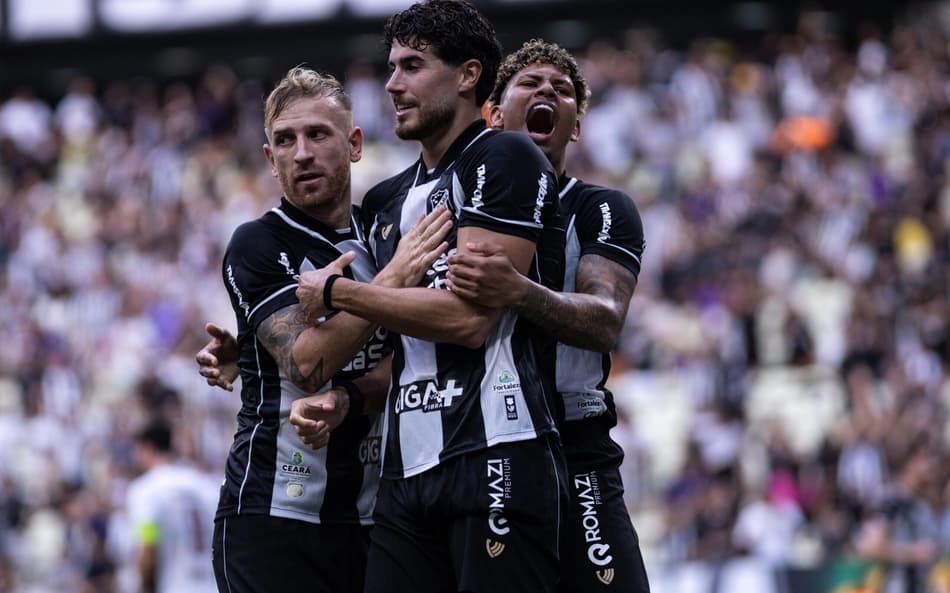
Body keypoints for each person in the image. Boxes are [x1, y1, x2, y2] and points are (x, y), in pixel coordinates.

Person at [289, 2, 568, 592]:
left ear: (468, 75)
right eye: (391, 68)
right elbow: (398, 343)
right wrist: (257, 357)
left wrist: (341, 291)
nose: (393, 84)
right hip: (405, 469)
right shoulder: (384, 201)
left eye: (412, 66)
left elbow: (468, 321)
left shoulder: (503, 155)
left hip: (497, 448)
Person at [209, 65, 450, 593]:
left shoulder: (388, 236)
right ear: (270, 160)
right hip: (272, 517)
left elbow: (415, 362)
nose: (301, 153)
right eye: (285, 140)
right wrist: (391, 281)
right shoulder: (258, 243)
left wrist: (347, 398)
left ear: (354, 144)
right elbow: (307, 361)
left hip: (372, 519)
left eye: (317, 134)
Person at [444, 40, 651, 592]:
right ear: (493, 114)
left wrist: (517, 291)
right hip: (486, 442)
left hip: (578, 443)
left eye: (562, 90)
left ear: (575, 127)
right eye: (531, 84)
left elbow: (606, 320)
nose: (548, 92)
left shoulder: (601, 208)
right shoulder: (453, 206)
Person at [126, 418, 219, 593]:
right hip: (212, 586)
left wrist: (144, 583)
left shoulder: (146, 489)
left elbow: (148, 544)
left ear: (147, 447)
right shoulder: (203, 484)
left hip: (175, 585)